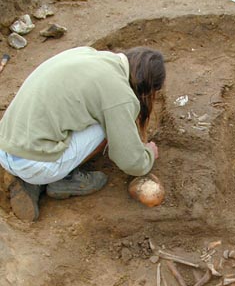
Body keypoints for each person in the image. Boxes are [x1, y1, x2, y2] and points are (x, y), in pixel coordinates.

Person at [0, 45, 166, 222]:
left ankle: (32, 181)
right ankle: (61, 179)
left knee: (89, 111)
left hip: (6, 145)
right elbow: (131, 162)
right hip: (34, 164)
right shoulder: (118, 93)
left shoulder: (88, 54)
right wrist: (147, 154)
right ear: (146, 86)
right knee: (109, 123)